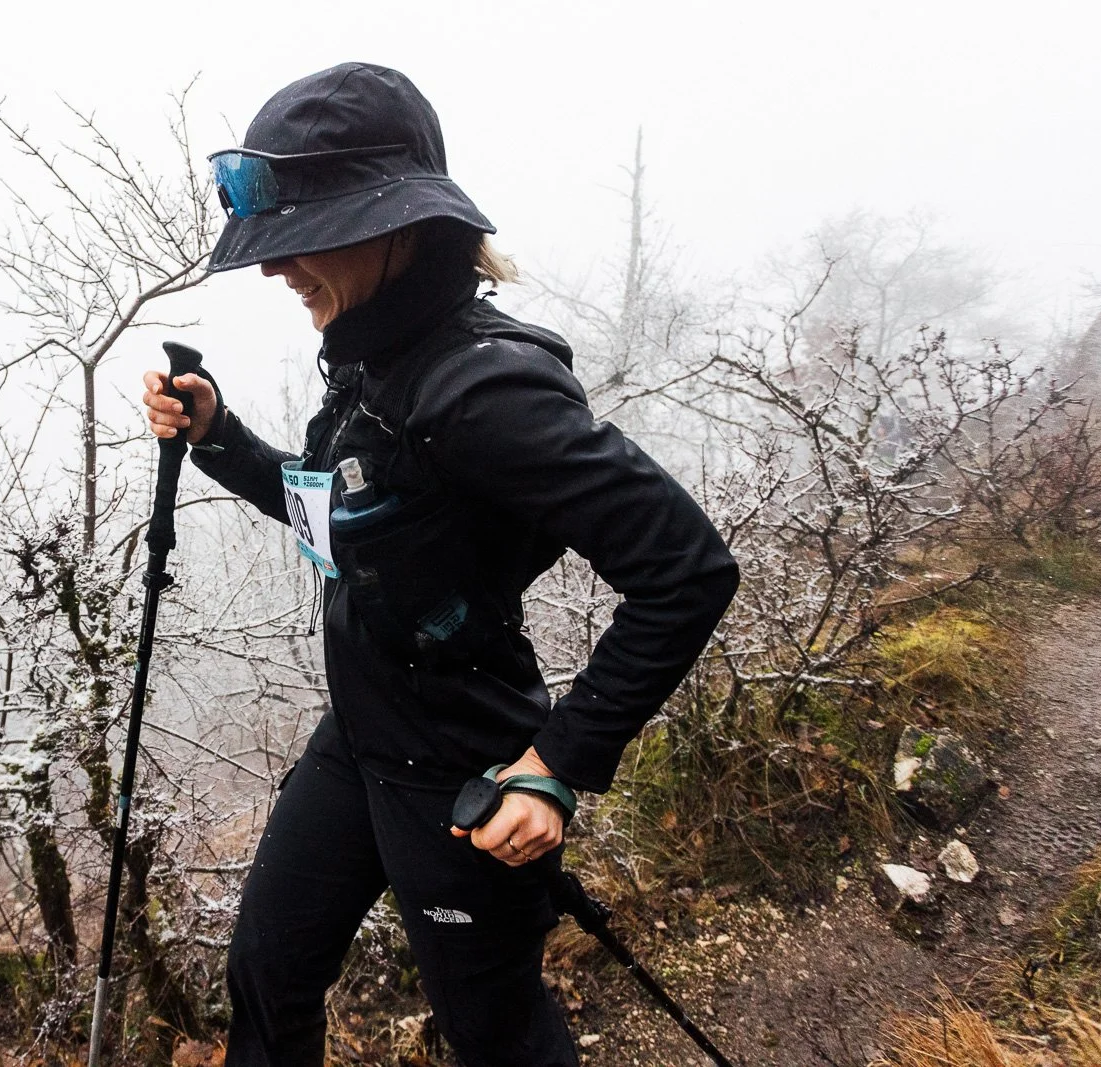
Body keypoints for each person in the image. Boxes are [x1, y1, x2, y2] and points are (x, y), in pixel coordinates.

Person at [142, 63, 739, 1067]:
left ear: (397, 227)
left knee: (493, 1031)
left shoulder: (486, 391)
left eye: (301, 235)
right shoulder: (377, 358)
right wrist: (220, 437)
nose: (273, 268)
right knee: (268, 975)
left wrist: (556, 767)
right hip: (360, 736)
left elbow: (687, 569)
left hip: (463, 769)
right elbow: (346, 524)